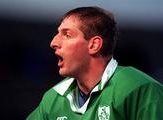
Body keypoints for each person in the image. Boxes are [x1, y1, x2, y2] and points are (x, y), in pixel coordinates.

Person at [26, 6, 163, 120]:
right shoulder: (52, 99)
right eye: (57, 34)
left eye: (67, 35)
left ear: (93, 45)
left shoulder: (139, 89)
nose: (53, 43)